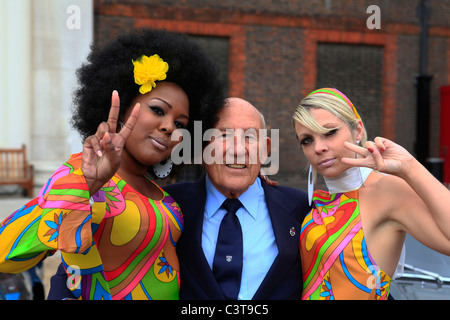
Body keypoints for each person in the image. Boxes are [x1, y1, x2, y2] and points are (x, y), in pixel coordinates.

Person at [0, 28, 225, 300]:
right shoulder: (83, 174)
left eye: (180, 124)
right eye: (157, 110)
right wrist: (85, 186)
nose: (169, 127)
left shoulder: (167, 197)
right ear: (124, 109)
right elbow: (6, 255)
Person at [49, 97, 311, 300]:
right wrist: (85, 188)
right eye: (223, 135)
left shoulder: (300, 208)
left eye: (249, 138)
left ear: (265, 149)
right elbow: (78, 265)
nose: (237, 150)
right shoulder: (167, 206)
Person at [292, 88, 450, 300]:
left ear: (357, 130)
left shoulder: (386, 190)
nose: (319, 147)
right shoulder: (320, 200)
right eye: (307, 140)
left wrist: (410, 168)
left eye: (329, 133)